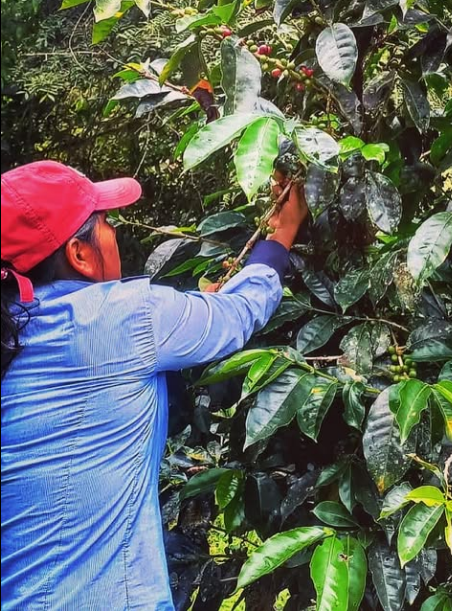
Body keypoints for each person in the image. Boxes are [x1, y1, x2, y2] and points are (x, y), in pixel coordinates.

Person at [1, 160, 308, 611]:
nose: (113, 235)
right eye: (103, 224)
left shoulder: (15, 334)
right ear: (79, 254)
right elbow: (236, 314)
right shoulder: (124, 316)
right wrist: (281, 235)